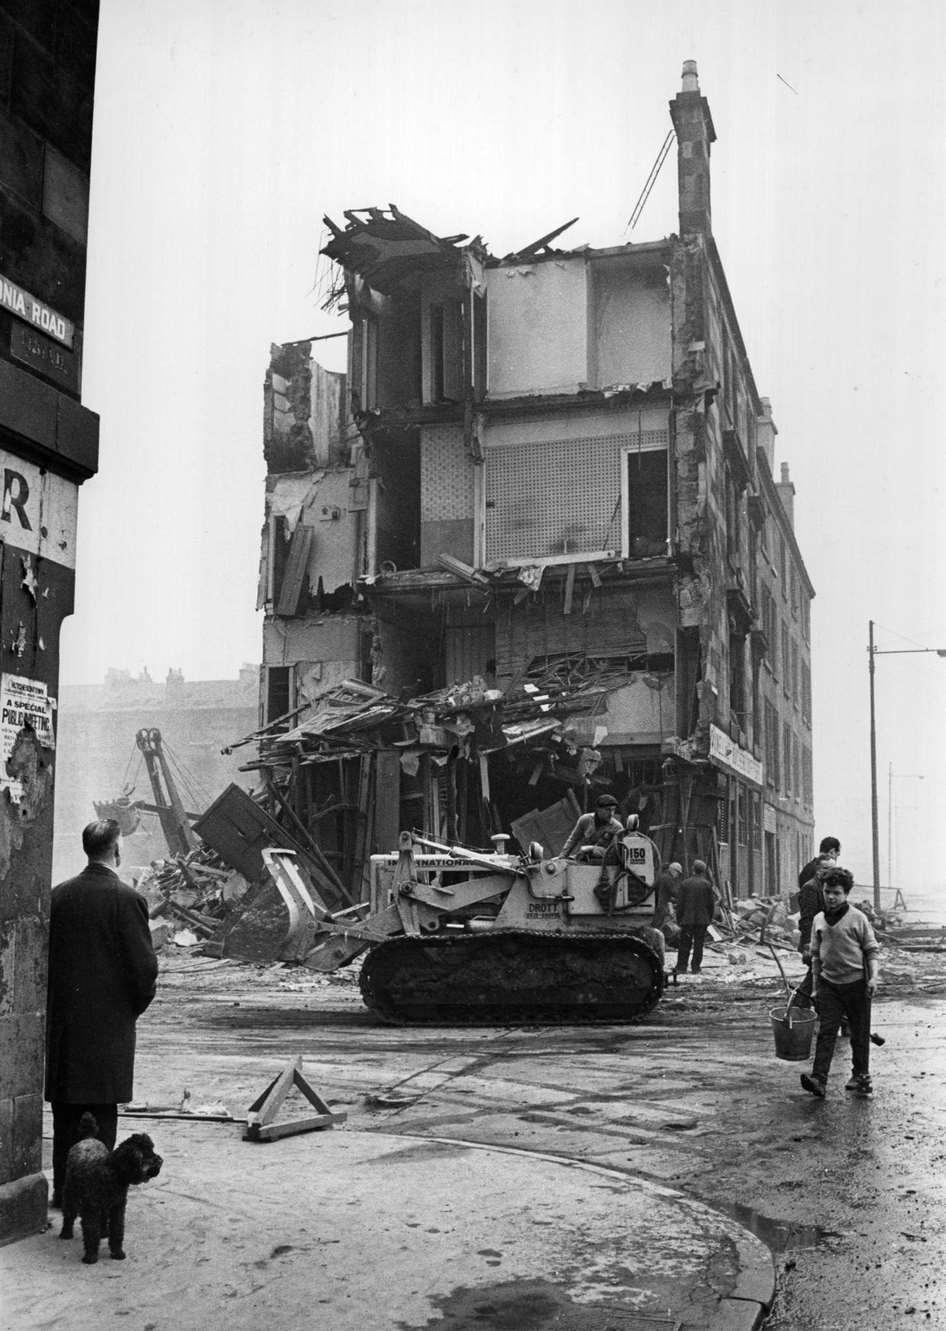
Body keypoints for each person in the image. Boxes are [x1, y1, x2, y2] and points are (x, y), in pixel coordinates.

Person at [45, 819, 158, 1208]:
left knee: (65, 1117)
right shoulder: (128, 900)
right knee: (103, 1118)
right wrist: (127, 1012)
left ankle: (64, 1193)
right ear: (117, 850)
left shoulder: (57, 896)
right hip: (109, 1033)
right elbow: (144, 973)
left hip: (64, 1030)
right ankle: (98, 1198)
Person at [799, 865, 880, 1099]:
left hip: (857, 985)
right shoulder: (818, 920)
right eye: (827, 892)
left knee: (859, 1032)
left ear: (846, 894)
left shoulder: (858, 918)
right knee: (826, 1031)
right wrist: (815, 987)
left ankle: (861, 1076)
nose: (831, 897)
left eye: (836, 892)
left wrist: (873, 977)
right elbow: (815, 955)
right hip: (829, 985)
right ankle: (819, 1080)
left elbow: (872, 951)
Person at [792, 835, 841, 1011]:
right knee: (817, 975)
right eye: (828, 870)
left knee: (817, 975)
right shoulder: (811, 888)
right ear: (819, 870)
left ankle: (802, 1007)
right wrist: (807, 944)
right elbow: (807, 919)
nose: (833, 874)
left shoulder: (826, 888)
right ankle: (803, 1007)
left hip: (825, 940)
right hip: (814, 940)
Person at [674, 859, 717, 975]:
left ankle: (681, 967)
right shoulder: (707, 885)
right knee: (699, 945)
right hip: (702, 921)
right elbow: (710, 905)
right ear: (703, 871)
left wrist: (679, 919)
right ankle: (695, 967)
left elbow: (680, 904)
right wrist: (709, 918)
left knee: (684, 944)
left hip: (687, 920)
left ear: (693, 869)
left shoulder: (685, 884)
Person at [560, 794, 624, 861]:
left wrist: (592, 849)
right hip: (583, 860)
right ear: (598, 809)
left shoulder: (617, 827)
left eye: (613, 810)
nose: (611, 814)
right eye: (607, 810)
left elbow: (614, 854)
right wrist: (562, 857)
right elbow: (573, 840)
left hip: (604, 865)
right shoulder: (585, 820)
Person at [652, 861, 683, 936]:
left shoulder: (661, 876)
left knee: (656, 925)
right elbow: (674, 892)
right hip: (662, 905)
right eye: (678, 873)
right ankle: (656, 943)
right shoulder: (668, 878)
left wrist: (672, 899)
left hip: (657, 904)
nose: (677, 876)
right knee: (658, 926)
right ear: (673, 870)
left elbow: (661, 891)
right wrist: (683, 897)